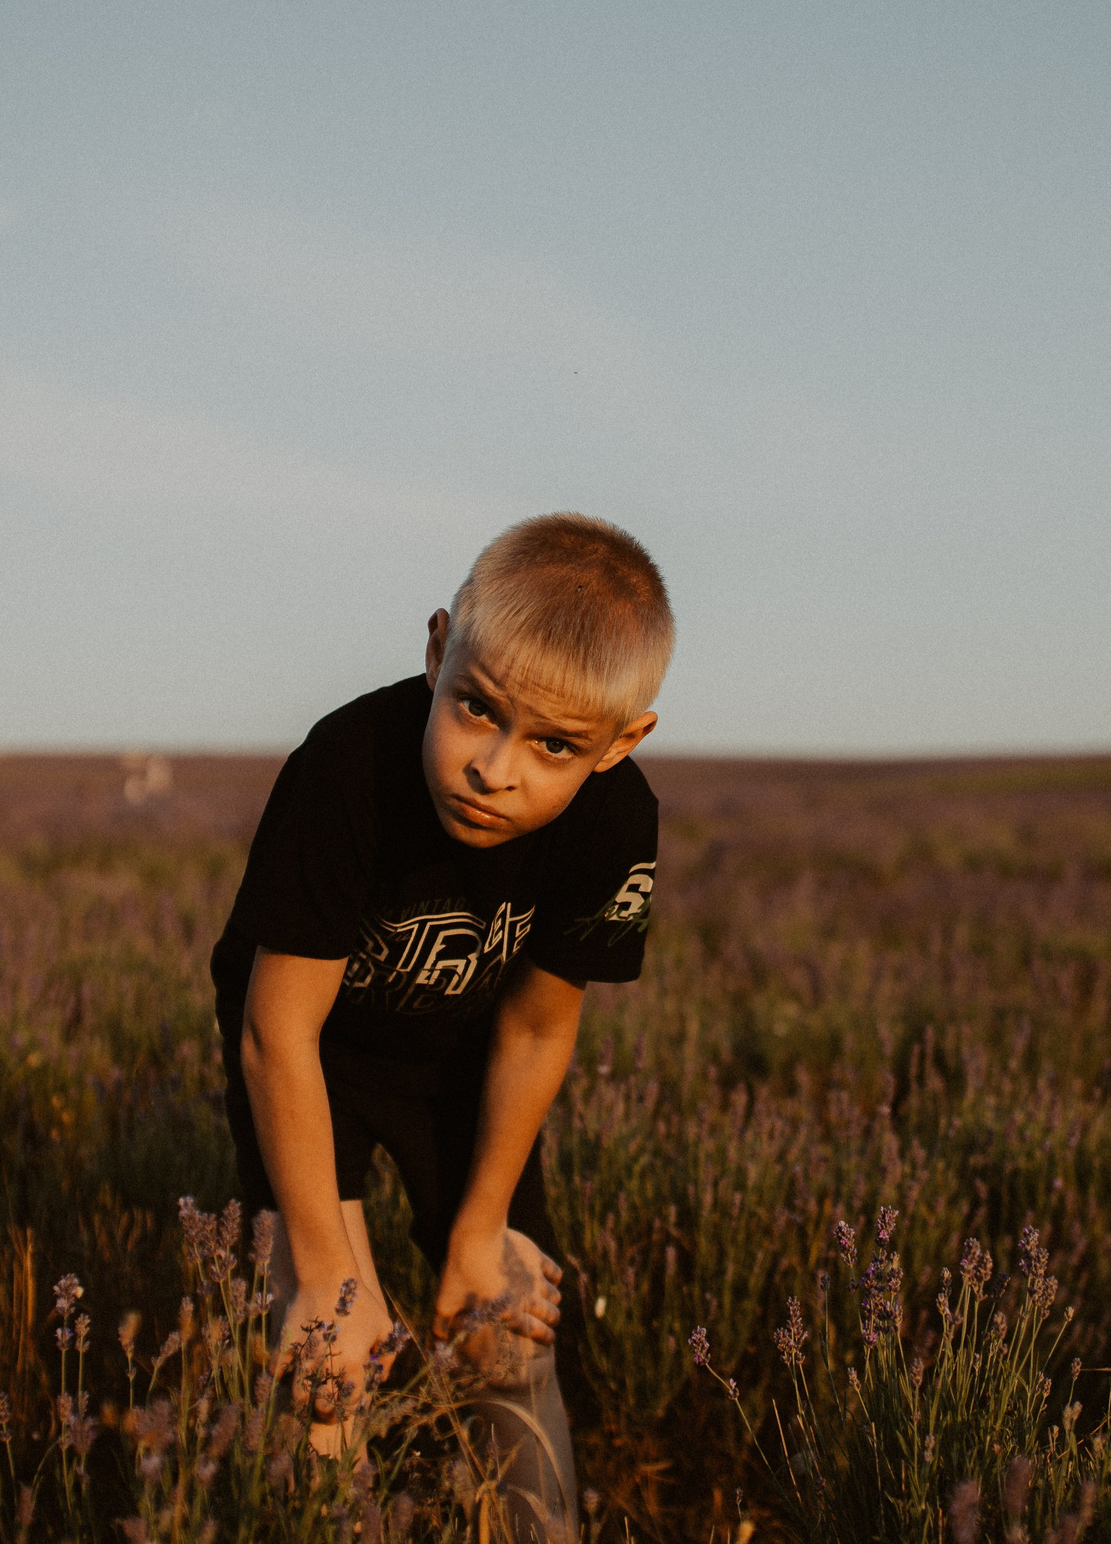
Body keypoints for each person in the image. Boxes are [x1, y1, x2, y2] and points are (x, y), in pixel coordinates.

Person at [211, 513, 670, 1542]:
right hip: (313, 1060)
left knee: (506, 1324)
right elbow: (275, 1036)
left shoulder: (613, 821)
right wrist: (326, 1274)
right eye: (476, 708)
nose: (494, 768)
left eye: (555, 745)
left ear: (621, 741)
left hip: (457, 1059)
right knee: (330, 1357)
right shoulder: (348, 766)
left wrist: (478, 1232)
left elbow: (536, 1032)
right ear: (436, 651)